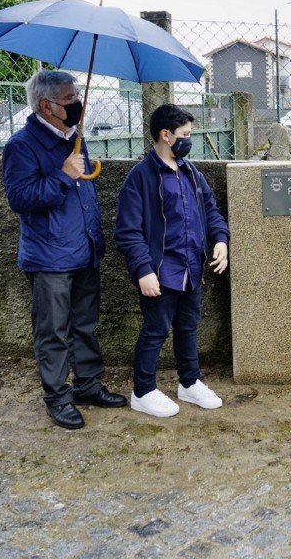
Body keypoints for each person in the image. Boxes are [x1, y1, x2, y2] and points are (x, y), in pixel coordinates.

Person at [2, 70, 126, 430]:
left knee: (85, 325)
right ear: (46, 105)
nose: (78, 105)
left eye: (76, 97)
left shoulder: (75, 139)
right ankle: (57, 397)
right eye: (70, 100)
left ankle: (87, 385)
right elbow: (20, 198)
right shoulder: (21, 145)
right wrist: (62, 175)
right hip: (49, 256)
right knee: (53, 331)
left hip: (84, 249)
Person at [114, 104, 230, 417]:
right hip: (160, 273)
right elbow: (127, 232)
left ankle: (189, 383)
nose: (189, 140)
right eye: (186, 135)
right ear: (166, 135)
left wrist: (220, 240)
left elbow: (210, 211)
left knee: (188, 327)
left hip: (191, 268)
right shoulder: (140, 178)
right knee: (155, 330)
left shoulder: (192, 173)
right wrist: (143, 270)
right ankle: (143, 391)